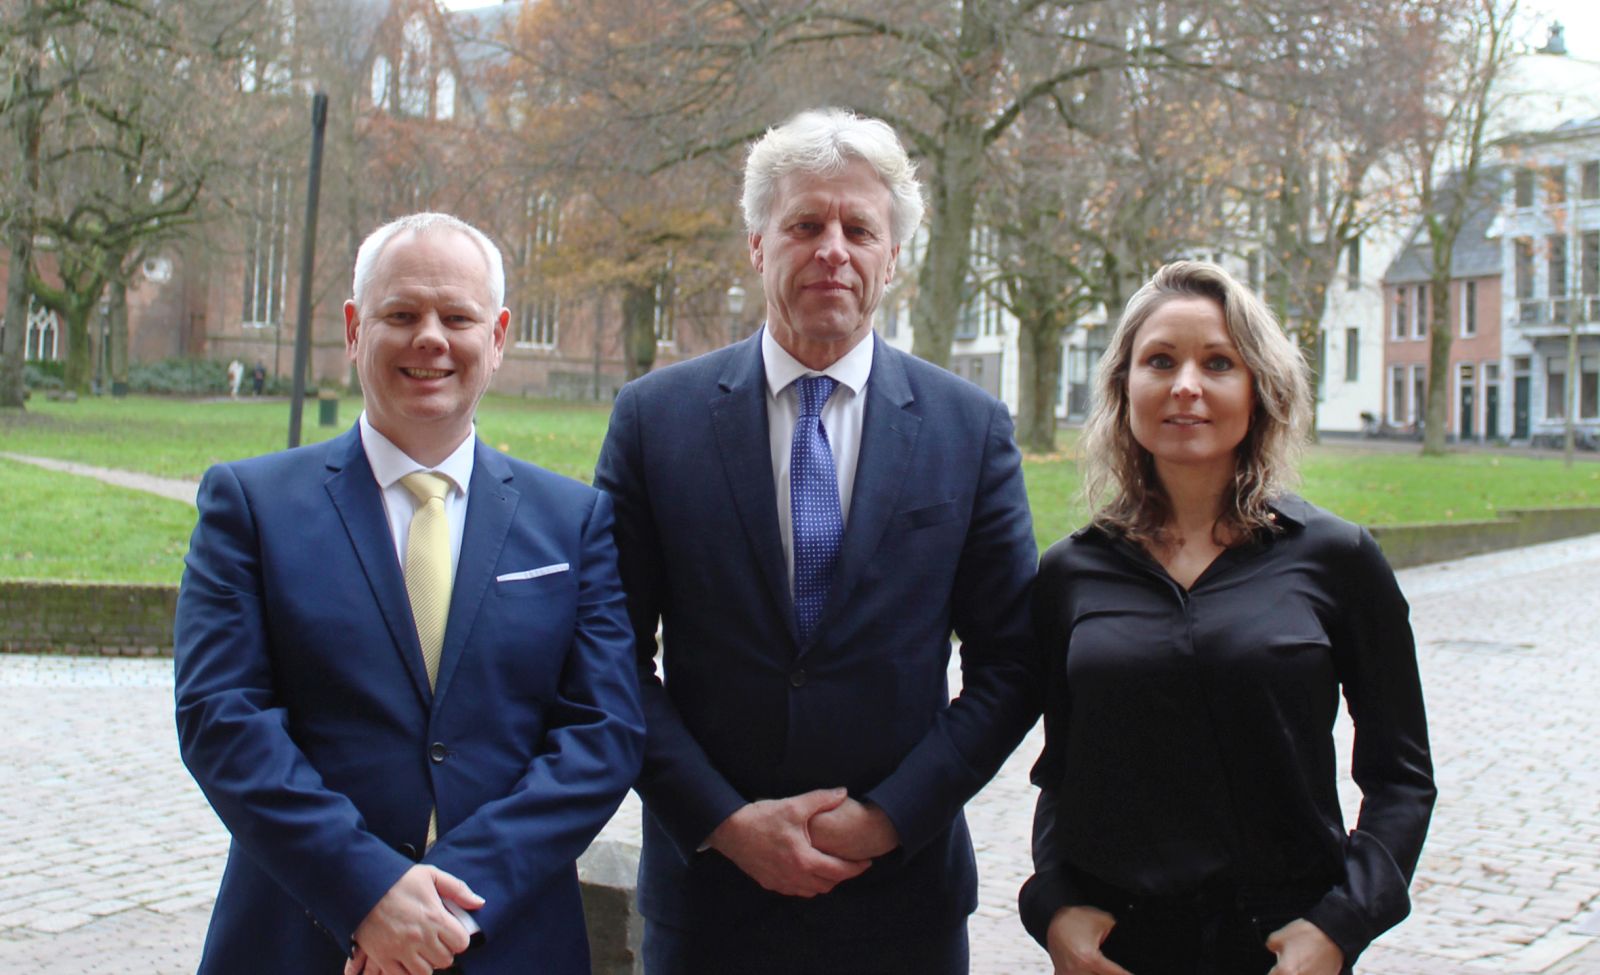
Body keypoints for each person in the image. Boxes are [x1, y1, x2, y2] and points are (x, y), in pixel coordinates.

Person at [594, 108, 1041, 974]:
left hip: (901, 907)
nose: (832, 249)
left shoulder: (969, 429)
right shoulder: (655, 421)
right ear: (757, 244)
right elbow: (608, 649)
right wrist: (725, 822)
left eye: (858, 229)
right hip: (710, 904)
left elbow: (1013, 662)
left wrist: (888, 818)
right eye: (804, 224)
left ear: (892, 257)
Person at [175, 212, 644, 975]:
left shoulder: (573, 521)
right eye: (401, 314)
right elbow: (221, 719)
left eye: (457, 317)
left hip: (507, 940)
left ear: (497, 336)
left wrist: (448, 902)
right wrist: (368, 891)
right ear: (354, 329)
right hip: (301, 938)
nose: (430, 338)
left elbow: (603, 732)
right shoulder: (252, 507)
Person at [1020, 261, 1436, 975]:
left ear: (1259, 389)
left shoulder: (1338, 559)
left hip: (1283, 948)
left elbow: (1401, 777)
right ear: (1124, 385)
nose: (1186, 385)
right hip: (1120, 949)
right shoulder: (1070, 573)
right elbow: (1064, 774)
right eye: (1160, 361)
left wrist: (1340, 925)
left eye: (1218, 363)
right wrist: (1055, 906)